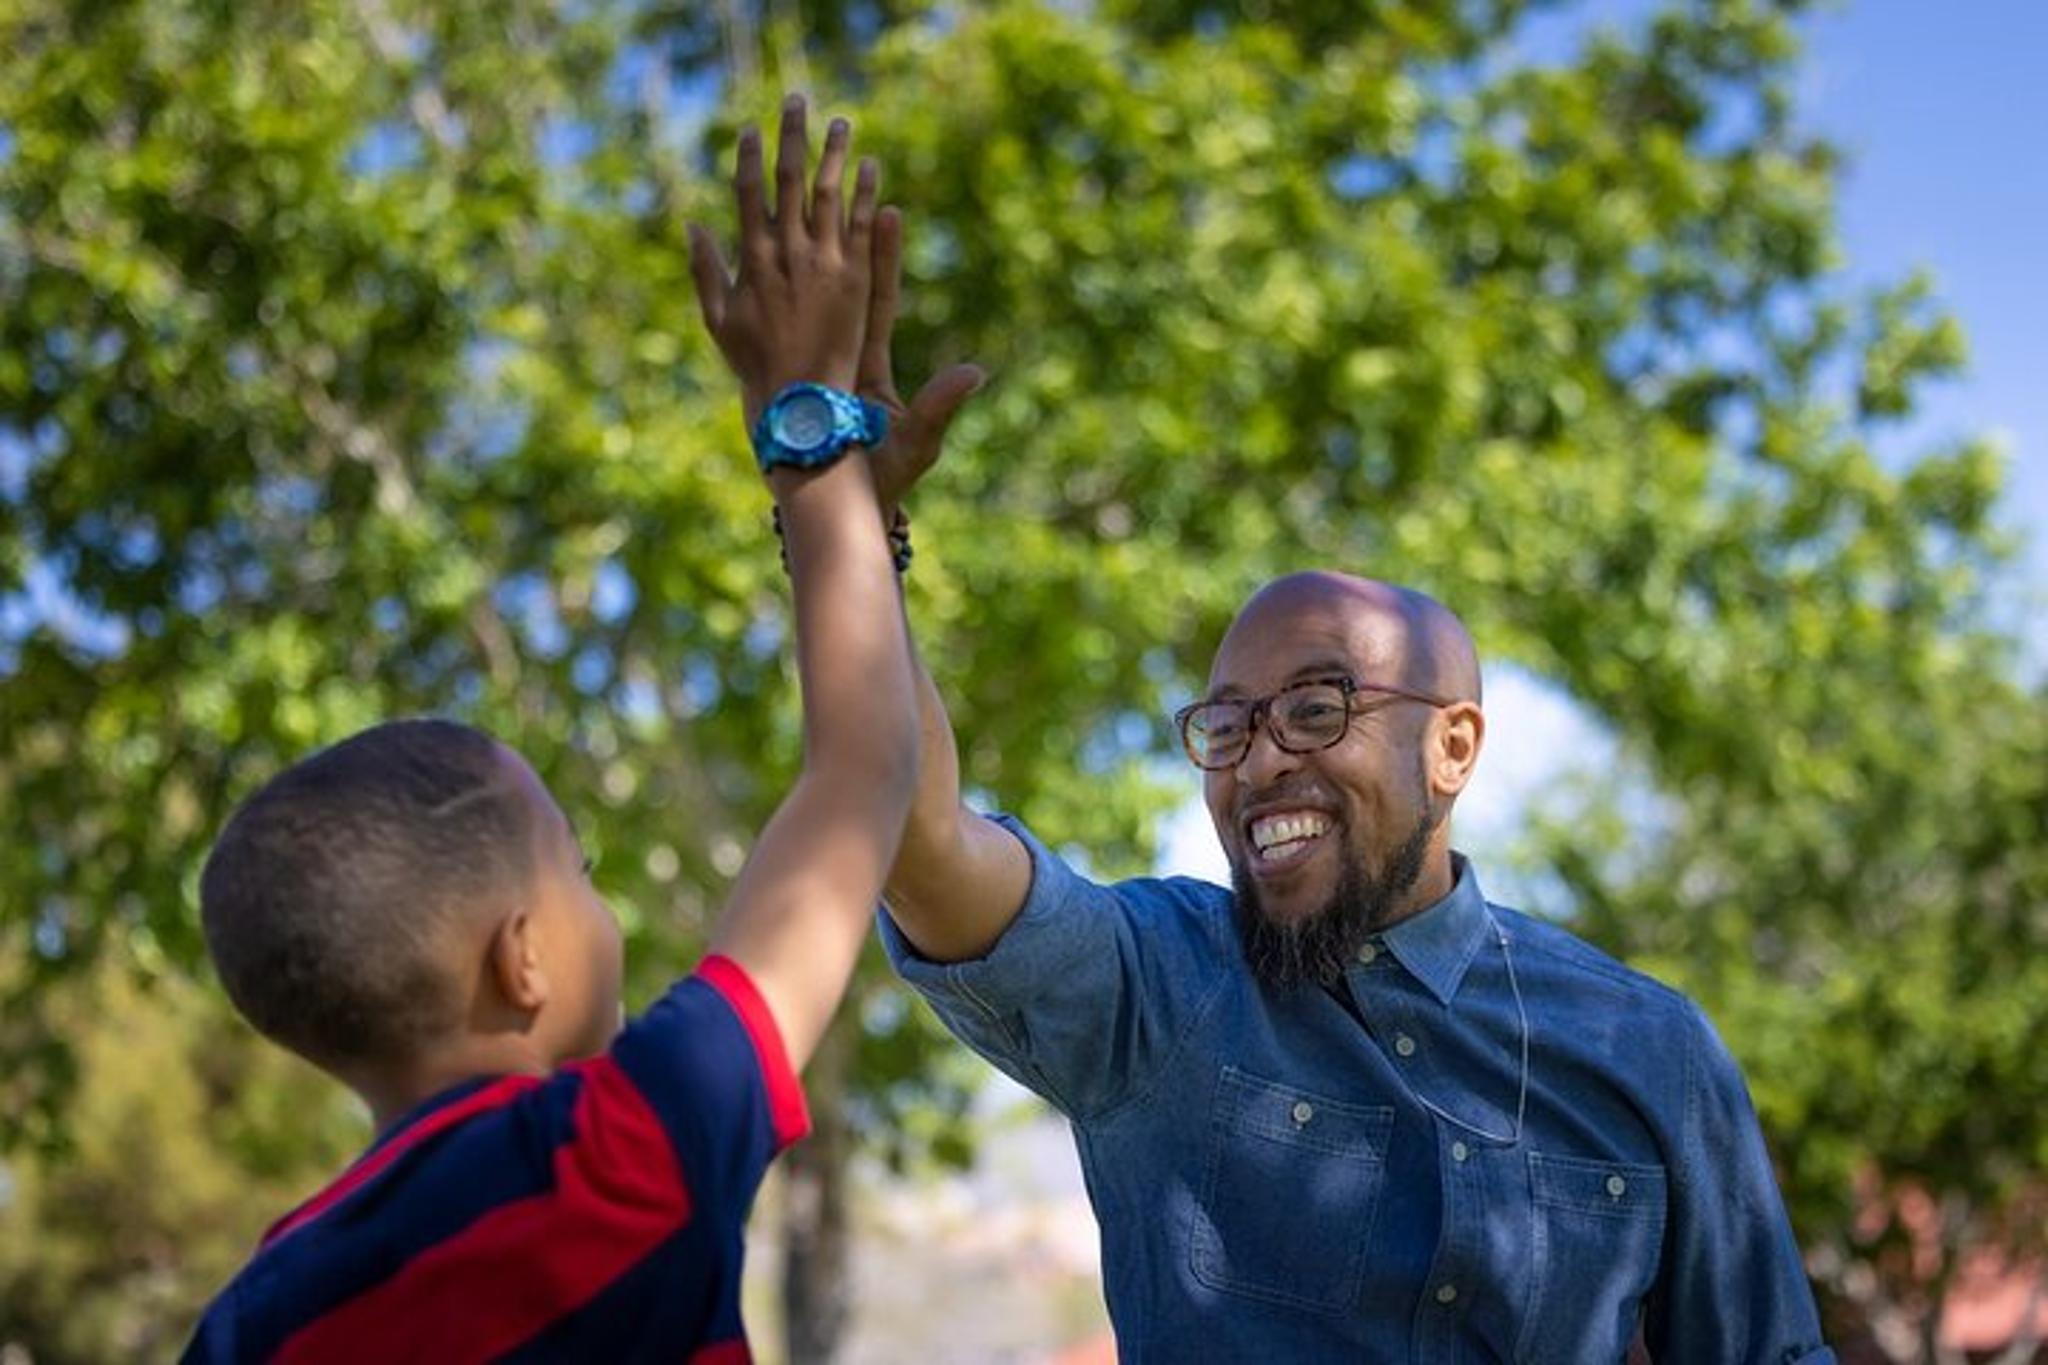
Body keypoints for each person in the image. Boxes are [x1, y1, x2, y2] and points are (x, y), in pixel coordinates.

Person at [871, 352, 1836, 1355]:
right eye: (1227, 727)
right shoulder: (1155, 987)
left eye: (1314, 709)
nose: (1257, 763)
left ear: (1450, 747)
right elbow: (917, 838)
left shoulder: (1648, 1047)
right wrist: (851, 532)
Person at [184, 95, 917, 1362]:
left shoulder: (255, 1315)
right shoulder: (617, 1158)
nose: (604, 900)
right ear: (519, 959)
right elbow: (863, 772)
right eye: (574, 867)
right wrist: (809, 426)